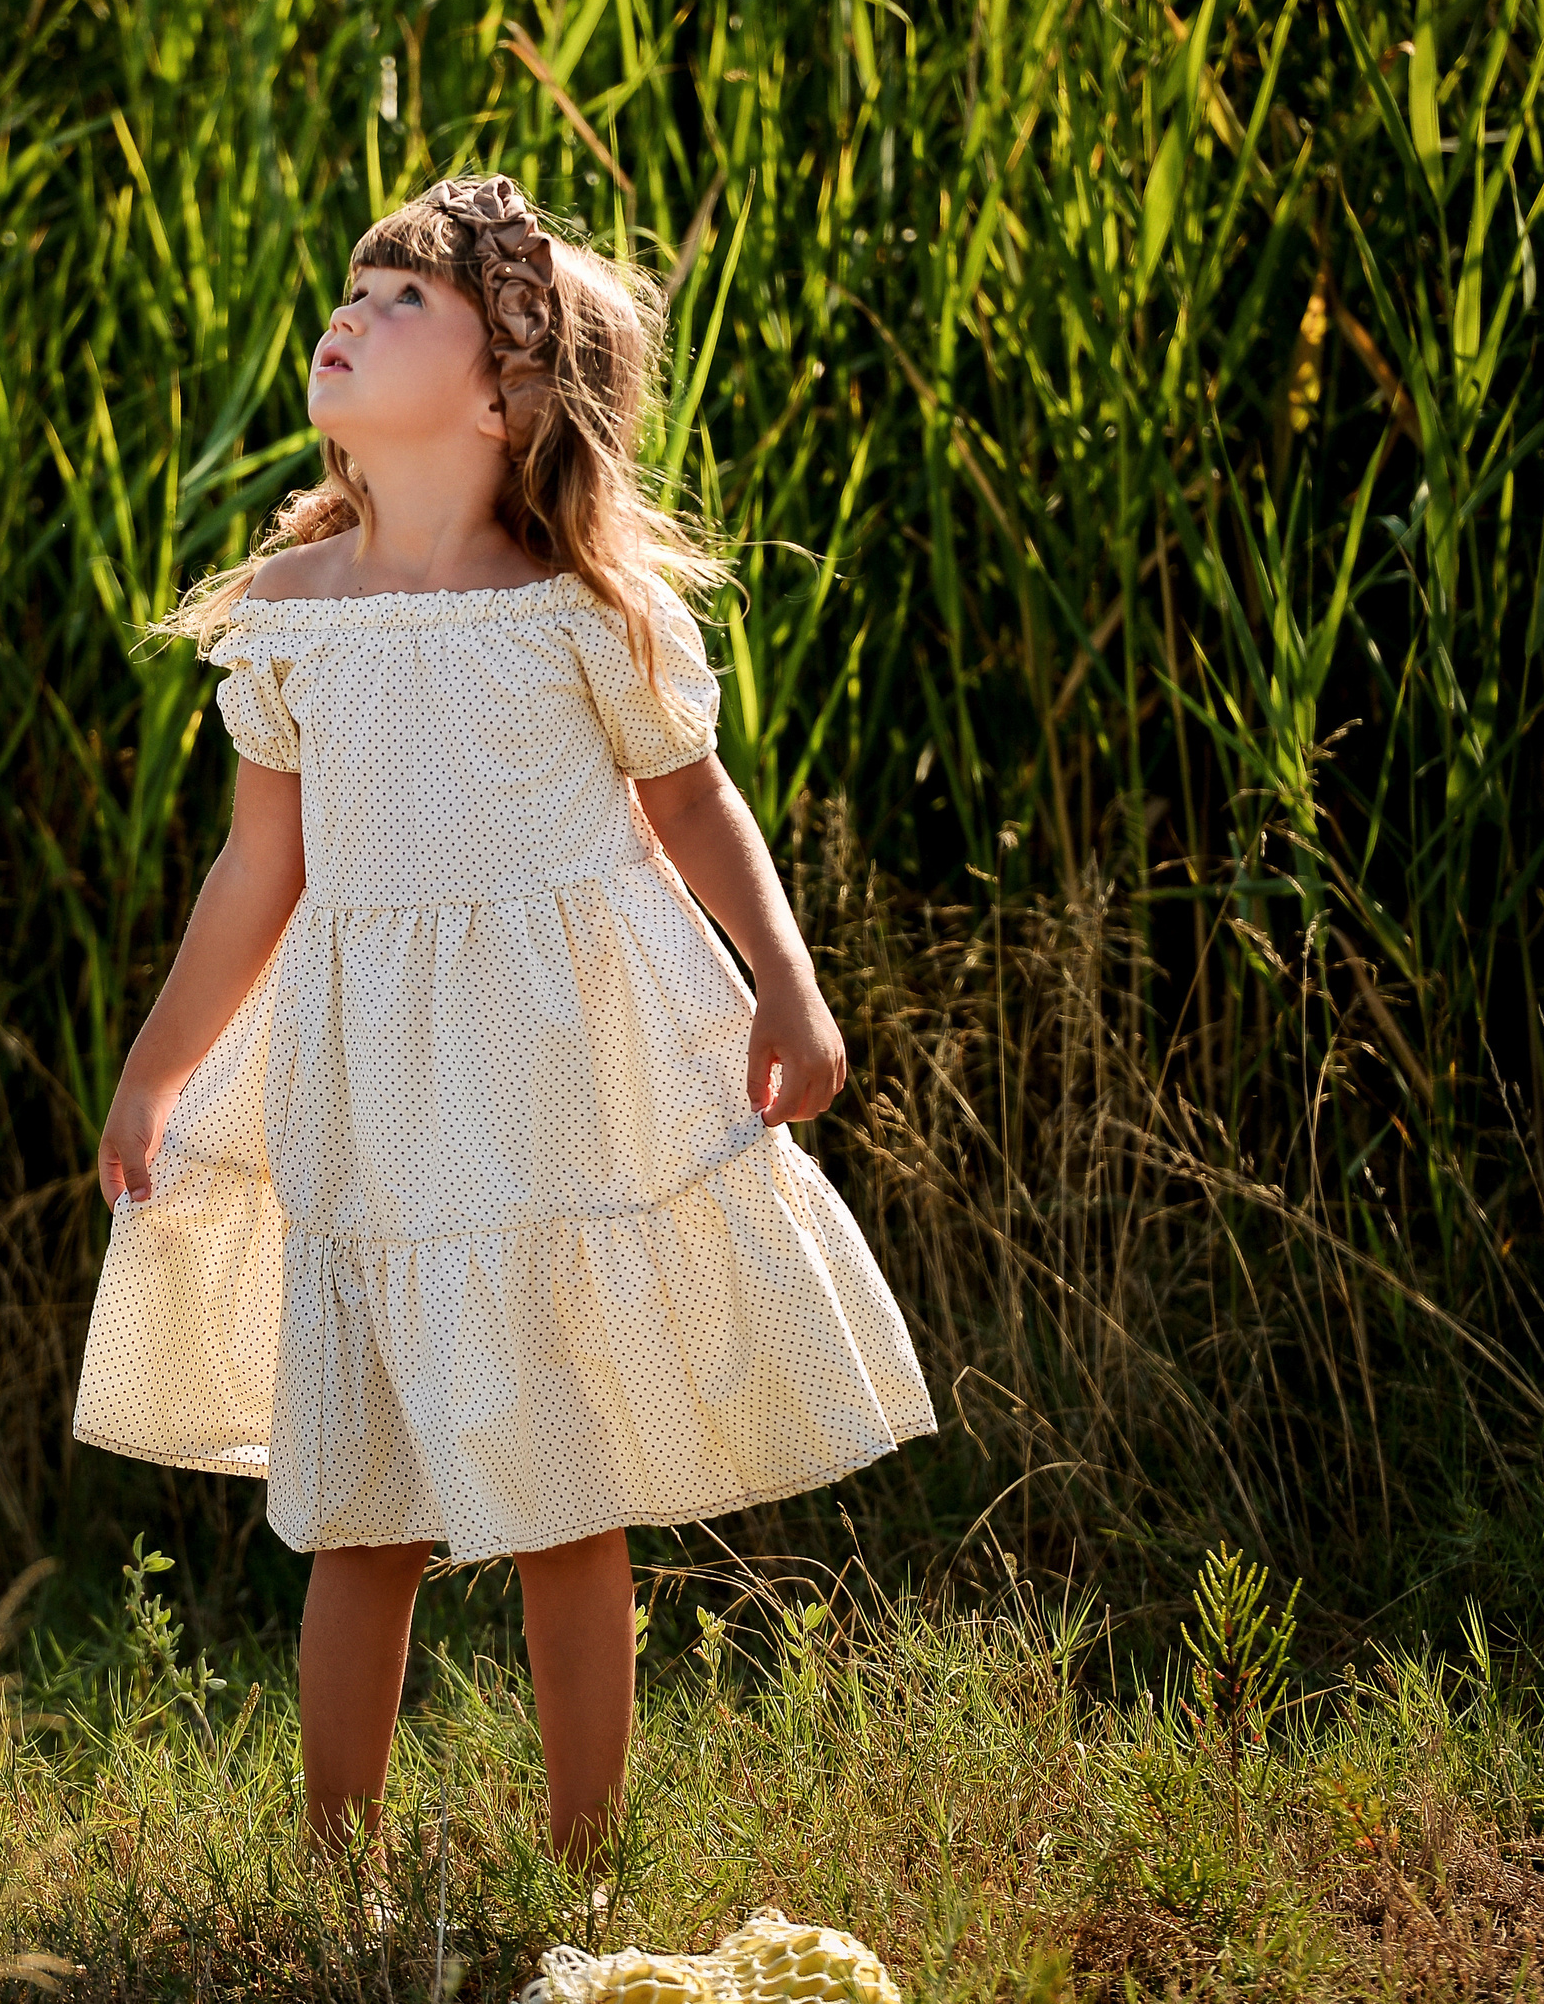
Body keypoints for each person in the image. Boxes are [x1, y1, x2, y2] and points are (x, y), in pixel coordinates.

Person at [73, 175, 934, 1868]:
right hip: (369, 1092)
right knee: (361, 1511)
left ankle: (584, 1869)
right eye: (356, 287)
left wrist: (787, 979)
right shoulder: (295, 612)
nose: (353, 312)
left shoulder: (576, 607)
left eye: (406, 300)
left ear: (505, 398)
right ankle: (338, 1875)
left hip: (549, 1083)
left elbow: (691, 804)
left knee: (563, 1493)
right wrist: (158, 1070)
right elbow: (258, 872)